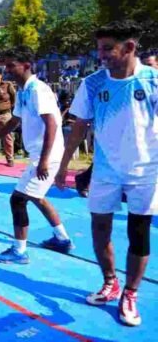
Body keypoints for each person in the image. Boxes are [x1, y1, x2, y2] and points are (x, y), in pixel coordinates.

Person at [55, 20, 158, 327]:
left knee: (138, 233)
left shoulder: (152, 80)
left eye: (107, 48)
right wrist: (63, 165)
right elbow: (79, 127)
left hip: (145, 171)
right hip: (105, 171)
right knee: (100, 228)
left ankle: (130, 293)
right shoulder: (93, 83)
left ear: (129, 47)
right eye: (99, 48)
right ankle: (110, 282)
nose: (100, 55)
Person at [0, 46, 73, 265]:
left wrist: (44, 160)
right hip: (40, 154)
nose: (7, 70)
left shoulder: (38, 90)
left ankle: (19, 251)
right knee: (36, 196)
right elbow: (15, 120)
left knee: (17, 199)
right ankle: (62, 239)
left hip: (47, 155)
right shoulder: (23, 90)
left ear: (26, 65)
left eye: (11, 65)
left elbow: (52, 124)